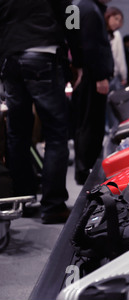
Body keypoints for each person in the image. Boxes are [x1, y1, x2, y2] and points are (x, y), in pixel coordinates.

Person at [0, 0, 82, 224]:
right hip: (43, 55)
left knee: (17, 134)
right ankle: (53, 206)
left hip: (10, 59)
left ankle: (22, 200)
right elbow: (71, 16)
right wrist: (78, 59)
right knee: (56, 134)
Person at [73, 0, 114, 185]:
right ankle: (87, 170)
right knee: (92, 123)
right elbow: (91, 45)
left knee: (84, 122)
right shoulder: (91, 11)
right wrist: (100, 76)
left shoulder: (78, 7)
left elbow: (72, 38)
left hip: (85, 72)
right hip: (92, 76)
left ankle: (83, 169)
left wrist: (76, 67)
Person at [105, 7, 127, 91]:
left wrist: (123, 75)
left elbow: (119, 56)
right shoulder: (115, 35)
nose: (117, 23)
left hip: (111, 74)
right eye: (116, 19)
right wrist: (124, 76)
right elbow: (119, 57)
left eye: (120, 21)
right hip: (109, 74)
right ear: (108, 16)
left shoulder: (115, 34)